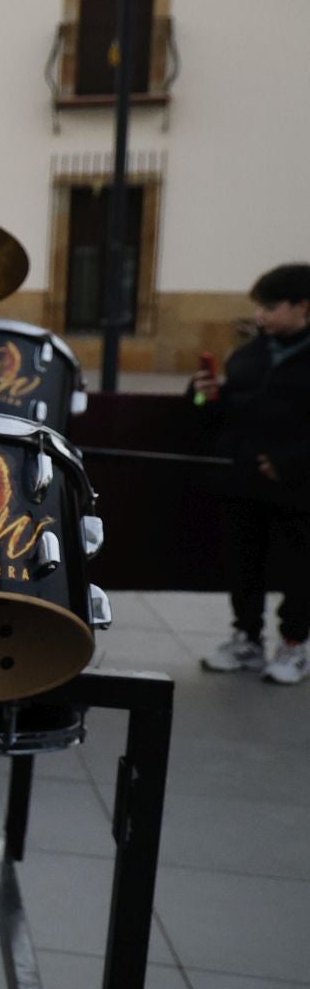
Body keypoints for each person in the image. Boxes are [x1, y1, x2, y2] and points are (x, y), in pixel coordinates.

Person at [193, 262, 310, 685]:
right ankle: (247, 638)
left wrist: (290, 460)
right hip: (242, 480)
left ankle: (295, 644)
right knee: (243, 563)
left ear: (303, 307)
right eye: (260, 306)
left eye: (272, 306)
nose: (262, 315)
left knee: (299, 567)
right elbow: (222, 413)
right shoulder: (249, 355)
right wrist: (203, 397)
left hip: (297, 488)